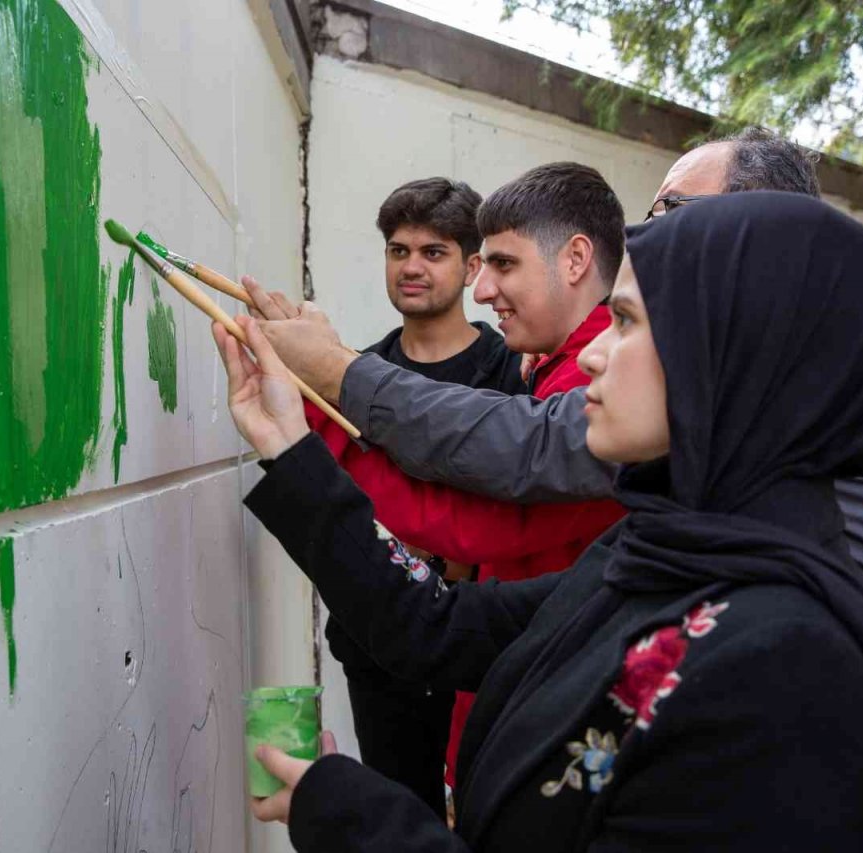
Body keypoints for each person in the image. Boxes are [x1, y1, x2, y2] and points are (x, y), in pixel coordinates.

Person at [256, 128, 863, 846]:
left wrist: (335, 375)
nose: (597, 348)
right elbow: (444, 627)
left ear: (750, 305)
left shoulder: (777, 662)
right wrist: (293, 444)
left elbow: (521, 451)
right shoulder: (669, 544)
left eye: (629, 317)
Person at [246, 162, 628, 795]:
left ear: (575, 260)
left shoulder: (575, 381)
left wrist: (318, 406)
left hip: (510, 673)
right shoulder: (553, 367)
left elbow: (478, 517)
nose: (484, 289)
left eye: (634, 323)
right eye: (398, 251)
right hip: (461, 657)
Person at [297, 176, 524, 819]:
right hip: (381, 644)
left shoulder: (515, 371)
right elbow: (335, 508)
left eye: (434, 251)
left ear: (472, 264)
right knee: (401, 812)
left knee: (490, 810)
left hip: (487, 637)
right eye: (399, 251)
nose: (413, 267)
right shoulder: (349, 375)